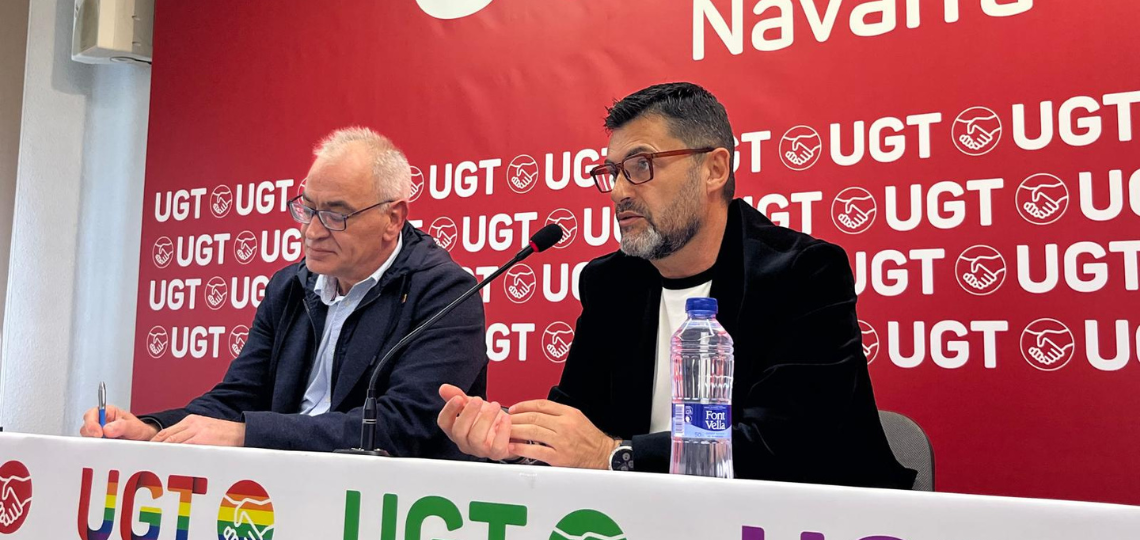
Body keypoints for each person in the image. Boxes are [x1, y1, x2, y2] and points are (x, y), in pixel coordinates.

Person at [438, 82, 916, 488]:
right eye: (611, 172)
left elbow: (785, 448)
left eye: (641, 165)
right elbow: (577, 418)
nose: (621, 190)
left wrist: (614, 454)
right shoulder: (611, 284)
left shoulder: (802, 273)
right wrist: (511, 441)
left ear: (714, 169)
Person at [81, 127, 487, 458]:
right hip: (278, 490)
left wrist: (248, 434)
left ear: (392, 219)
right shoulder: (291, 286)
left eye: (335, 215)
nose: (311, 231)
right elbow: (239, 396)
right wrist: (152, 428)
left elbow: (403, 428)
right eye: (307, 209)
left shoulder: (445, 293)